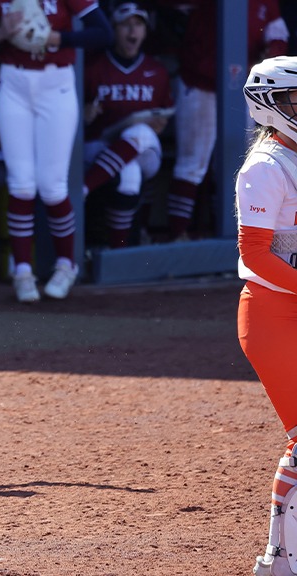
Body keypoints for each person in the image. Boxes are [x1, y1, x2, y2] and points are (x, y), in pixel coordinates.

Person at [0, 0, 112, 302]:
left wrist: (59, 38)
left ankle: (67, 265)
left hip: (56, 80)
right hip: (13, 80)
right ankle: (22, 270)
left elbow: (103, 33)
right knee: (21, 182)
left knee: (53, 186)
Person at [236, 56, 297, 576]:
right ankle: (279, 560)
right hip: (272, 312)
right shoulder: (265, 166)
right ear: (270, 105)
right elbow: (255, 252)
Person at [166, 0, 287, 241]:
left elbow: (278, 35)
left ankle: (230, 239)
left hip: (239, 89)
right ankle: (176, 236)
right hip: (199, 84)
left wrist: (267, 60)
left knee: (235, 166)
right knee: (192, 164)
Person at [81, 2, 172, 249]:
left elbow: (163, 118)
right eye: (126, 25)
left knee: (140, 132)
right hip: (99, 145)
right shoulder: (92, 67)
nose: (132, 32)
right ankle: (120, 250)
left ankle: (82, 189)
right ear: (113, 29)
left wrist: (159, 123)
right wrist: (84, 114)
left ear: (145, 31)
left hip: (145, 150)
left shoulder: (157, 70)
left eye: (138, 25)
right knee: (128, 175)